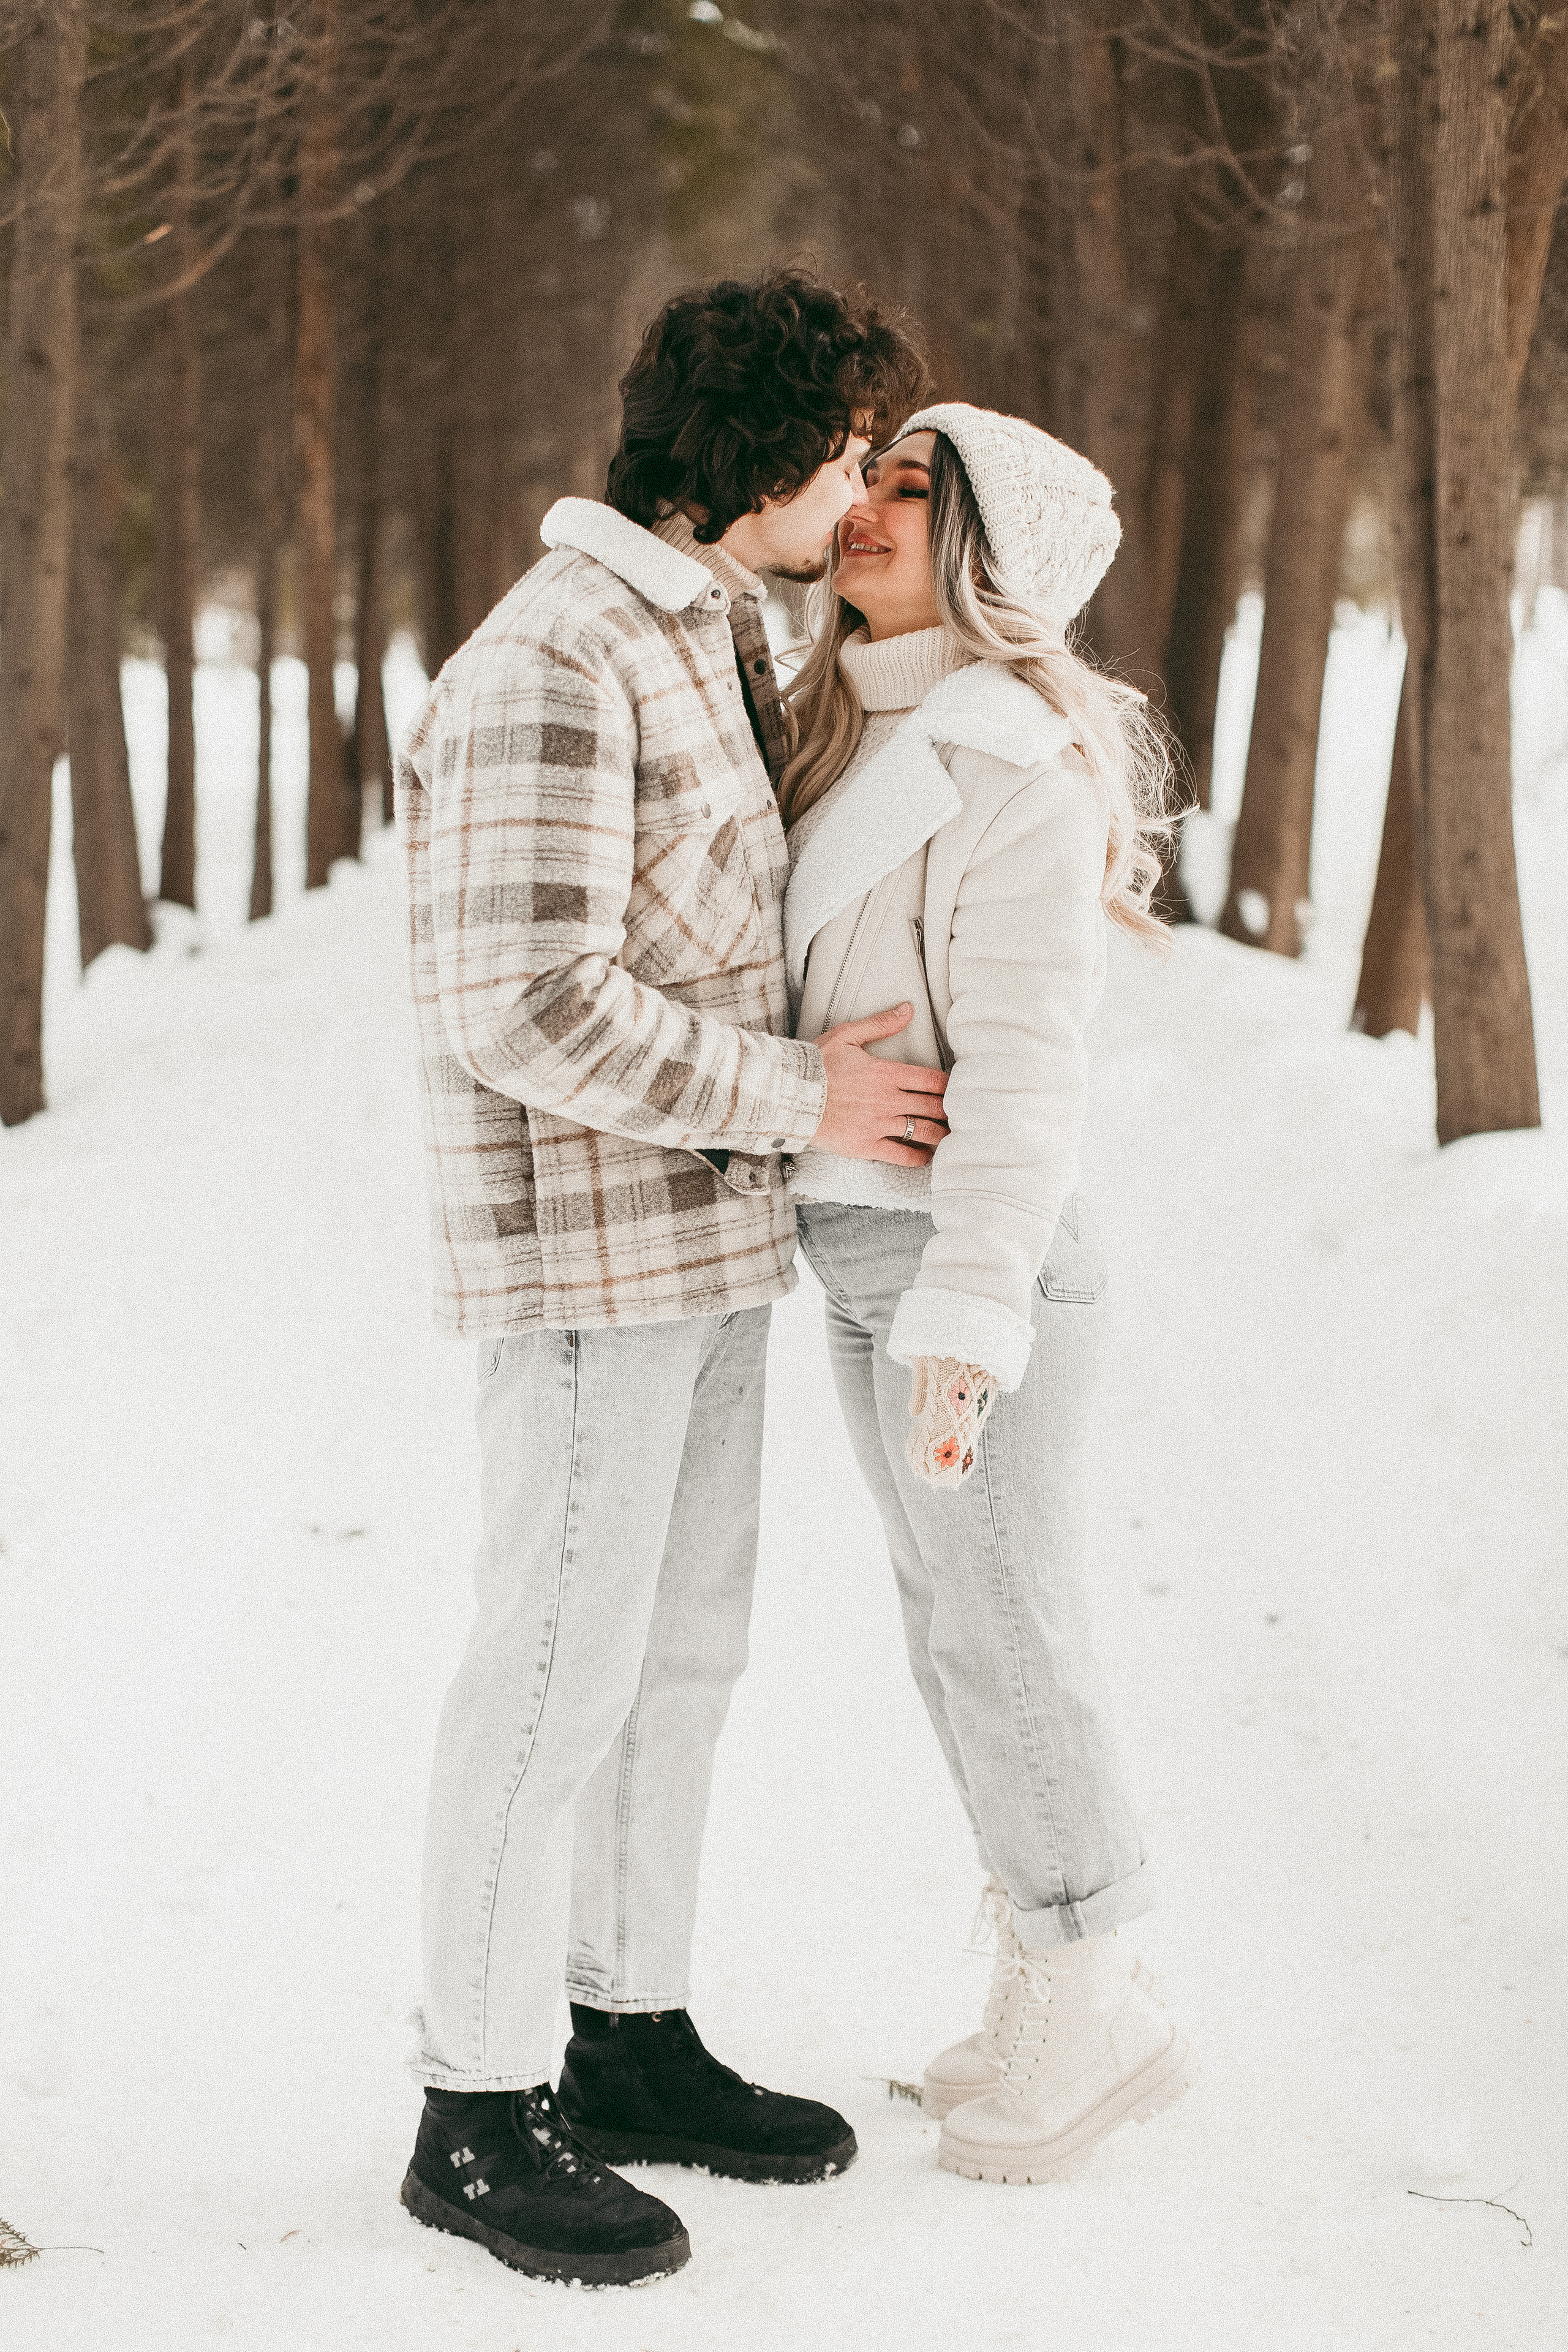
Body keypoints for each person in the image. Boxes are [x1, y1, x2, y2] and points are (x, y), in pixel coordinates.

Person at [396, 273, 935, 2286]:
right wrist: (806, 1095)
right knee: (550, 1673)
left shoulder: (696, 628)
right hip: (593, 1260)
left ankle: (620, 2032)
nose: (860, 492)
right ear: (765, 461)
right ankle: (471, 2104)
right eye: (849, 453)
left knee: (674, 1666)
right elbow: (518, 998)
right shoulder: (555, 657)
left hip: (711, 1247)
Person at [780, 402, 1193, 2185]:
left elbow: (1026, 1072)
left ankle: (1100, 1998)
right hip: (873, 1249)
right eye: (863, 479)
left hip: (973, 1262)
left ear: (985, 551)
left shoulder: (1003, 756)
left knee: (1013, 1636)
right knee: (958, 1642)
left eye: (906, 492)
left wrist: (968, 1315)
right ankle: (1048, 1969)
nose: (862, 508)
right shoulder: (854, 731)